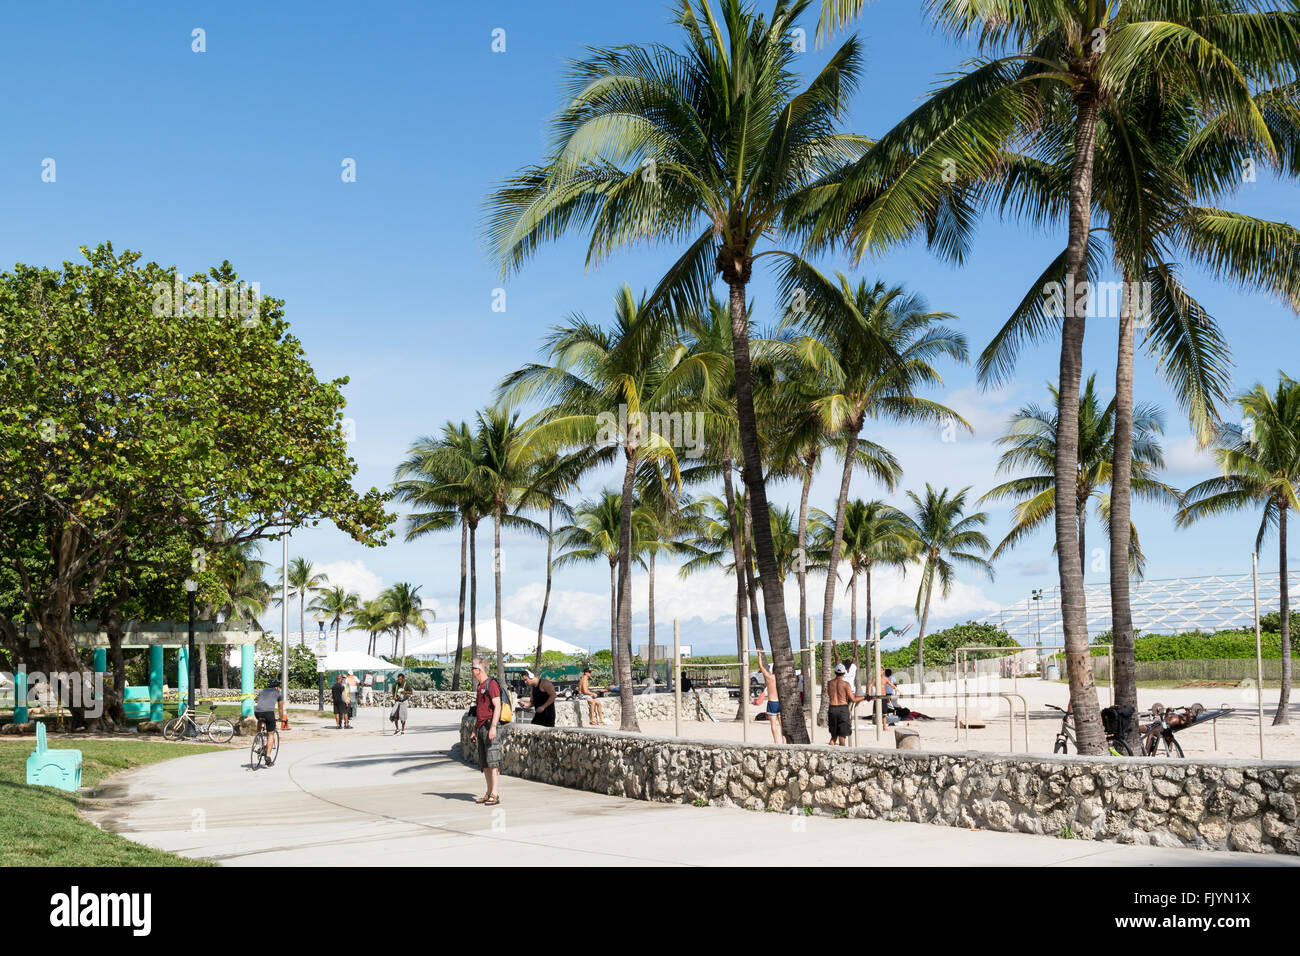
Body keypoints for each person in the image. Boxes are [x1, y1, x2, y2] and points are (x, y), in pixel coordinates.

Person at [472, 659, 503, 806]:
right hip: (481, 728)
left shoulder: (492, 684)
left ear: (480, 670)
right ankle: (489, 792)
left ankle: (495, 794)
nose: (471, 671)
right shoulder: (480, 686)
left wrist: (493, 727)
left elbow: (498, 706)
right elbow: (479, 710)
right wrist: (474, 730)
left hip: (490, 726)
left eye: (473, 668)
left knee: (493, 763)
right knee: (484, 764)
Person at [825, 664, 865, 746]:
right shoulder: (846, 684)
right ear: (844, 673)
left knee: (833, 736)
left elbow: (828, 694)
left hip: (832, 708)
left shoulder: (829, 683)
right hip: (842, 709)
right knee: (842, 735)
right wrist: (864, 697)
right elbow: (853, 699)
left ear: (835, 672)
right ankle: (842, 755)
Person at [755, 649, 782, 744]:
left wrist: (759, 655)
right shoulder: (781, 679)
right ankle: (784, 741)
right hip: (780, 702)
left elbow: (761, 667)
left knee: (773, 724)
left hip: (772, 703)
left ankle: (776, 742)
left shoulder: (769, 677)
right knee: (782, 725)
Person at [254, 679, 284, 761]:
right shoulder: (278, 693)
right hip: (269, 713)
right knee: (271, 734)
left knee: (260, 720)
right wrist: (281, 718)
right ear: (277, 687)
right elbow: (280, 709)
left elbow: (259, 701)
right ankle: (267, 756)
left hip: (257, 712)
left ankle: (258, 736)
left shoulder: (262, 691)